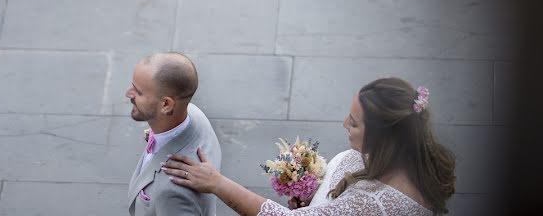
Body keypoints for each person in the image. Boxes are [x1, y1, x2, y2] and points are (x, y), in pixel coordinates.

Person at [161, 78, 456, 216]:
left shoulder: (372, 205)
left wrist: (217, 183)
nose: (344, 124)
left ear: (383, 138)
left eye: (354, 123)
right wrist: (317, 201)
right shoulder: (410, 150)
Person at [126, 52, 222, 216]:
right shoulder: (193, 113)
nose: (128, 94)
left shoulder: (172, 191)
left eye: (139, 92)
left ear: (166, 105)